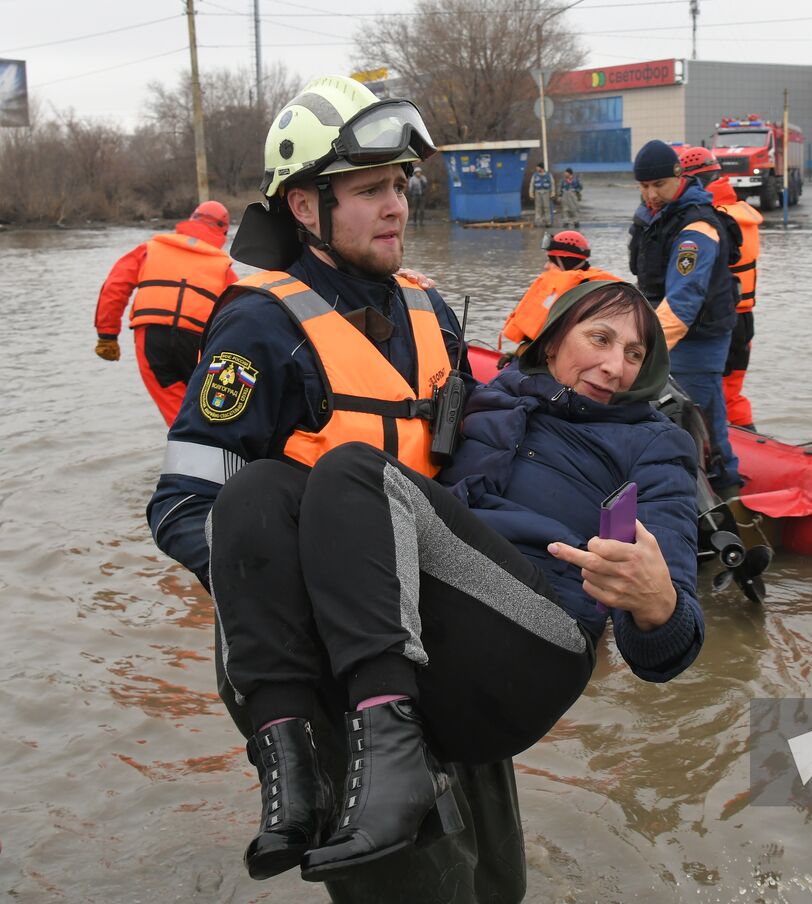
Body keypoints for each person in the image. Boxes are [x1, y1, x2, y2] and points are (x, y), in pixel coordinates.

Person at [146, 75, 526, 901]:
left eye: (399, 185)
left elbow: (468, 476)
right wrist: (302, 601)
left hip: (436, 642)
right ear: (306, 209)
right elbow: (183, 505)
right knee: (413, 885)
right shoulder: (258, 327)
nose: (396, 206)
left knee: (498, 879)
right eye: (367, 191)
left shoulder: (433, 312)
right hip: (329, 661)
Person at [207, 278, 702, 882]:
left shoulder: (656, 444)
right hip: (441, 640)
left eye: (634, 354)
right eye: (600, 338)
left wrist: (658, 606)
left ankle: (397, 764)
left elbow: (669, 648)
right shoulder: (487, 401)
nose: (615, 365)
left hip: (539, 649)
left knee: (353, 472)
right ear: (550, 344)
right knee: (253, 491)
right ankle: (291, 770)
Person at [627, 139, 744, 493]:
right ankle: (725, 484)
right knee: (709, 415)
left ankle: (711, 497)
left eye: (658, 185)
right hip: (665, 329)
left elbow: (684, 299)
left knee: (691, 420)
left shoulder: (696, 228)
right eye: (644, 187)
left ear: (679, 178)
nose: (650, 195)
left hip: (699, 338)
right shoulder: (653, 218)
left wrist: (641, 347)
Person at [93, 201, 238, 426]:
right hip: (196, 345)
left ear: (191, 220)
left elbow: (115, 286)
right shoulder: (223, 268)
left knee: (177, 415)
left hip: (152, 337)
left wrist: (107, 336)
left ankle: (186, 449)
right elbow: (239, 315)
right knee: (207, 414)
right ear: (224, 231)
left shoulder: (151, 248)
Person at [679, 146, 762, 430]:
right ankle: (748, 440)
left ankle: (722, 451)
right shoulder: (742, 213)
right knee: (732, 393)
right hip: (745, 319)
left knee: (710, 394)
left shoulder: (708, 219)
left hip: (718, 322)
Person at [498, 230, 620, 351]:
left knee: (510, 371)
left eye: (552, 261)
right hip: (547, 354)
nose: (546, 266)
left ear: (566, 261)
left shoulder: (587, 292)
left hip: (562, 359)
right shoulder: (584, 284)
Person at [528, 162, 553, 227]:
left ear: (541, 168)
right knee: (538, 208)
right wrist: (531, 194)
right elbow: (532, 184)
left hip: (546, 192)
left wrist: (552, 193)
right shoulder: (535, 175)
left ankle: (548, 222)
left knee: (547, 208)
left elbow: (552, 184)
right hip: (537, 192)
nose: (536, 168)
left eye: (538, 167)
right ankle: (537, 222)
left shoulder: (548, 175)